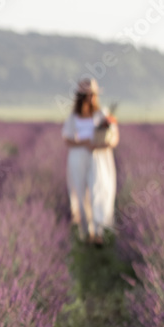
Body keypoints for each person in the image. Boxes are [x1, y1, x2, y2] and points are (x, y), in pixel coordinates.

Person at [61, 78, 119, 246]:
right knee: (79, 192)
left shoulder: (103, 114)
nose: (91, 98)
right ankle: (85, 231)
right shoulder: (73, 117)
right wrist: (84, 143)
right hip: (78, 156)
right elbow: (67, 139)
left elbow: (114, 138)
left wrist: (103, 143)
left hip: (98, 157)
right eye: (87, 95)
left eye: (93, 95)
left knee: (99, 190)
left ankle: (100, 231)